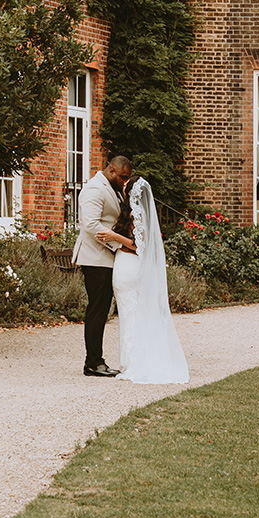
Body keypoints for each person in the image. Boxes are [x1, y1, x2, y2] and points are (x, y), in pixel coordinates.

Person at [96, 177, 189, 384]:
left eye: (125, 185)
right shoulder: (135, 213)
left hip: (130, 265)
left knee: (131, 314)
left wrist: (114, 236)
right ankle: (134, 360)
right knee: (133, 313)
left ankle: (135, 363)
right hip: (127, 265)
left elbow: (140, 246)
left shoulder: (135, 214)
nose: (122, 187)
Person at [72, 155, 132, 376]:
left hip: (104, 258)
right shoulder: (94, 189)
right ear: (111, 170)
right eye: (123, 177)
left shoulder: (113, 188)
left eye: (128, 178)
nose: (125, 182)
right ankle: (93, 363)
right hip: (95, 258)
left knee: (102, 309)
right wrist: (120, 245)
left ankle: (95, 360)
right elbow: (90, 224)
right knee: (97, 311)